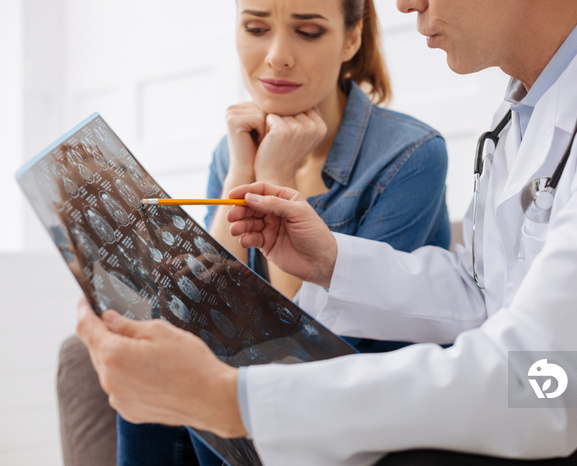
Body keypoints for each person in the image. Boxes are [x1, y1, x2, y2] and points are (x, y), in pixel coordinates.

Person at [77, 0, 577, 465]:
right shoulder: (531, 107)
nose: (403, 5)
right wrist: (332, 259)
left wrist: (233, 399)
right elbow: (485, 295)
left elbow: (543, 381)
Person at [60, 0, 452, 464]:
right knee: (161, 356)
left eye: (307, 32)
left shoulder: (411, 155)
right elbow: (198, 299)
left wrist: (276, 176)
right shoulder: (231, 150)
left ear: (351, 39)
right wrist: (241, 173)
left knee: (218, 368)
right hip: (263, 385)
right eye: (255, 27)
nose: (277, 55)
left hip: (351, 396)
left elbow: (309, 342)